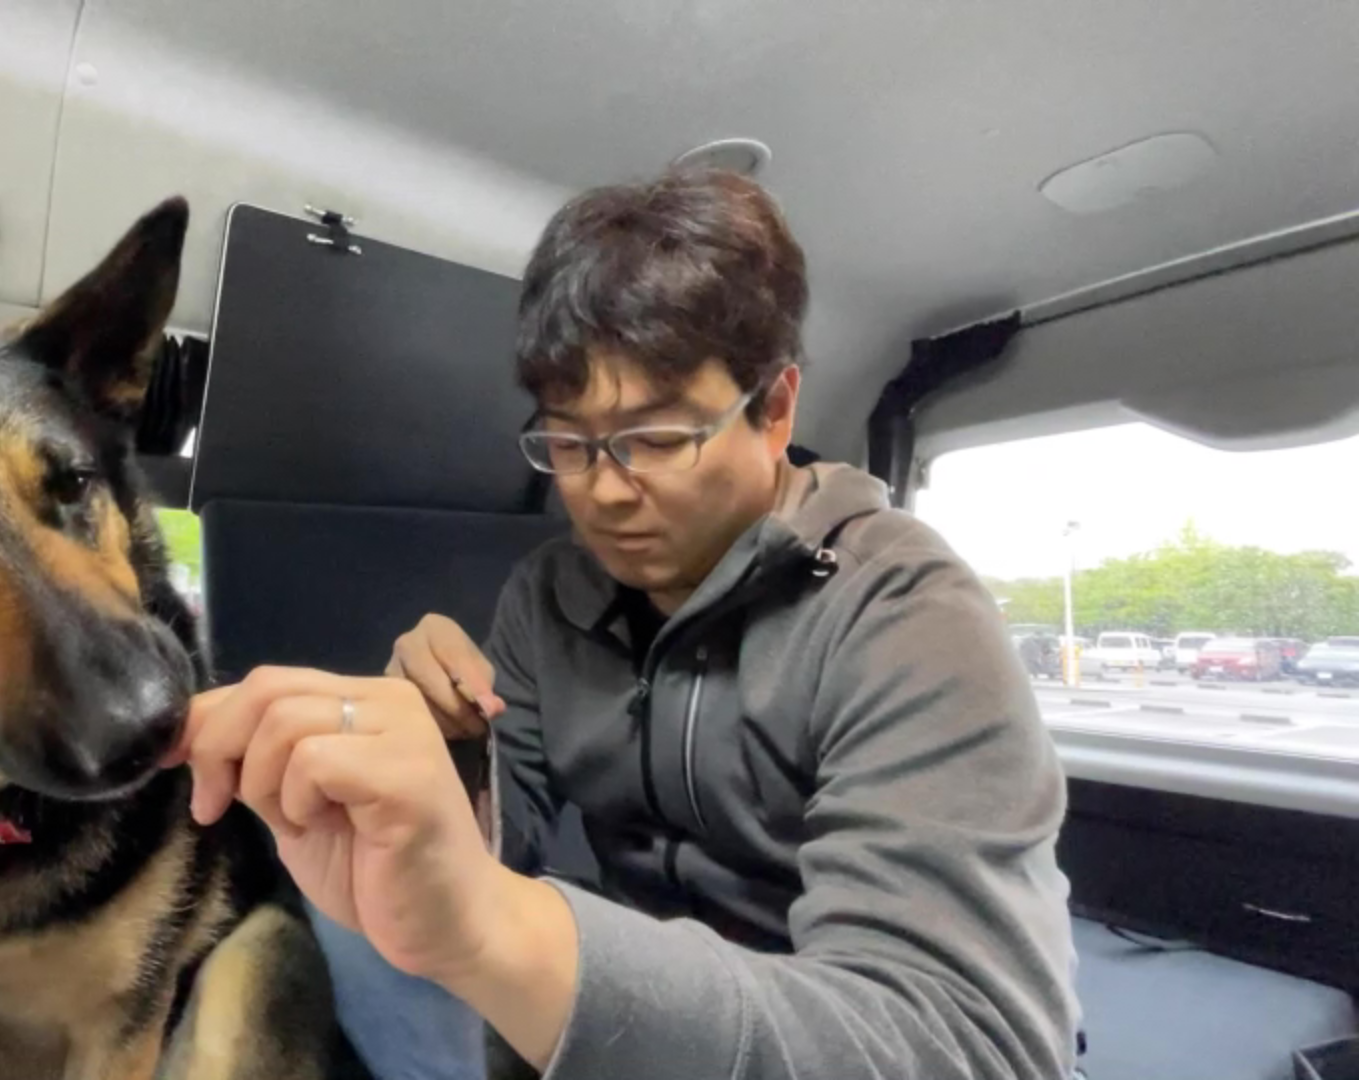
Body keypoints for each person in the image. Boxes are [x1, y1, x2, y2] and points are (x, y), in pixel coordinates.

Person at [170, 165, 1079, 1079]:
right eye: (568, 442)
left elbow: (967, 1047)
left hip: (814, 1021)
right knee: (341, 925)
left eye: (655, 440)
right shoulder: (549, 594)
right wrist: (452, 757)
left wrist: (492, 927)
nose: (603, 491)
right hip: (632, 1007)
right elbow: (501, 849)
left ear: (774, 410)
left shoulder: (905, 613)